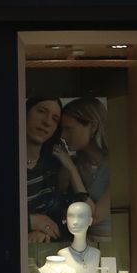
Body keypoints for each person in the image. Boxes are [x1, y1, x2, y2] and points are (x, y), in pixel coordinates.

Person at [57, 97, 111, 244]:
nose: (63, 135)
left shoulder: (115, 166)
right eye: (62, 129)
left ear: (92, 126)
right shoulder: (73, 164)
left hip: (111, 244)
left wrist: (72, 169)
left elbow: (93, 217)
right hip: (83, 245)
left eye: (69, 128)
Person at [24, 96, 67, 243]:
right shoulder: (1, 162)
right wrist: (29, 222)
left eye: (55, 119)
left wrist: (44, 233)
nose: (47, 122)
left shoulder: (54, 166)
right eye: (42, 111)